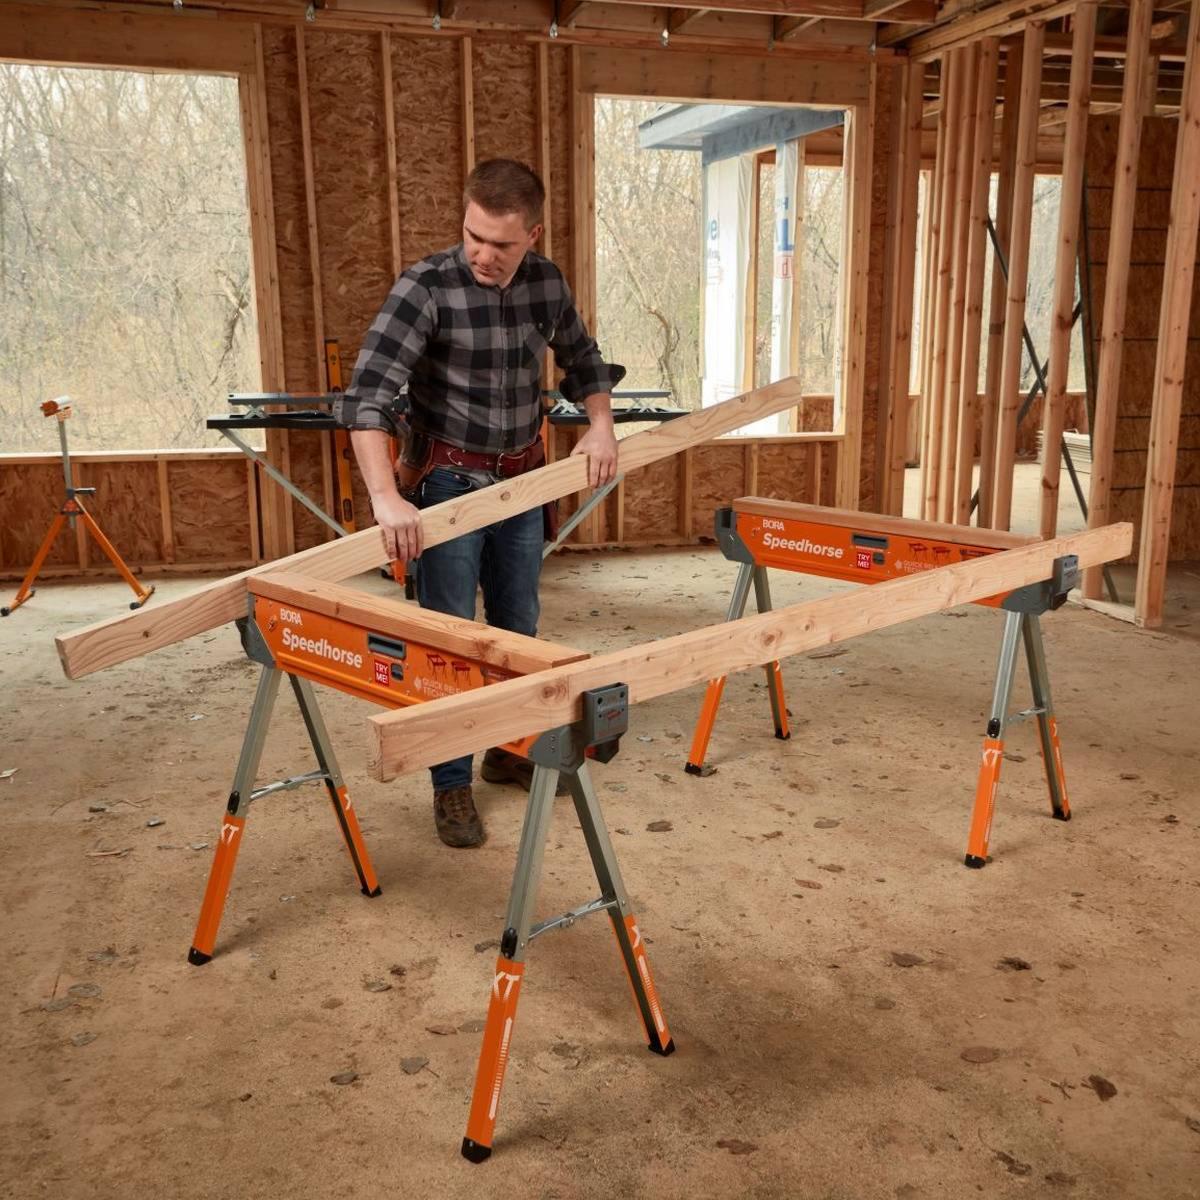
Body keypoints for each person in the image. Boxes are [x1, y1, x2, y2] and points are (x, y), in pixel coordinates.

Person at [334, 158, 625, 849]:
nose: (483, 255)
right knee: (449, 637)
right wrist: (386, 497)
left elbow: (583, 360)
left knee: (518, 626)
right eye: (473, 236)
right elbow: (368, 396)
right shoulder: (426, 287)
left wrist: (602, 424)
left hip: (524, 480)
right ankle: (451, 783)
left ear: (533, 234)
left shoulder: (546, 282)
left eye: (501, 243)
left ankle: (507, 748)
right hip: (448, 484)